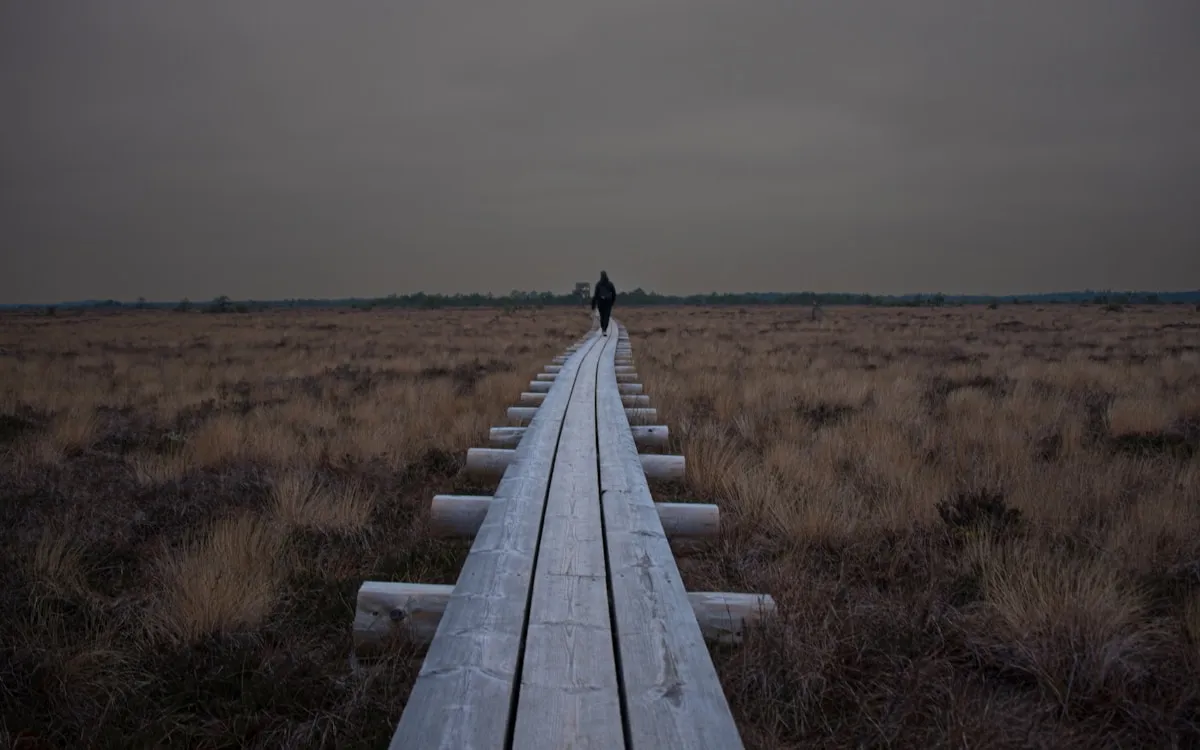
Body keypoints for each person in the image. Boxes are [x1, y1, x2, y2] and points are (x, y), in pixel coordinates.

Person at [590, 270, 617, 336]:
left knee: (602, 316)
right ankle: (604, 329)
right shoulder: (610, 284)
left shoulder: (598, 284)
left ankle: (603, 329)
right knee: (606, 316)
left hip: (601, 302)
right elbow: (614, 294)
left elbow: (595, 295)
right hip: (608, 302)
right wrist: (612, 302)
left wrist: (593, 305)